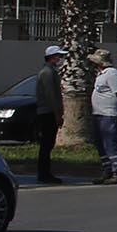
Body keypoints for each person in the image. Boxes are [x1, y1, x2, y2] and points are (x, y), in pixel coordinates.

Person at [88, 47, 117, 184]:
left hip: (110, 115)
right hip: (99, 114)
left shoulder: (112, 74)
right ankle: (107, 170)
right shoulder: (101, 74)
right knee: (100, 144)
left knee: (111, 144)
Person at [32, 45, 66, 184]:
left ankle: (45, 172)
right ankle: (44, 173)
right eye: (59, 56)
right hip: (47, 113)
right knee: (46, 144)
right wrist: (57, 114)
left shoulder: (51, 71)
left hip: (48, 112)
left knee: (48, 144)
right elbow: (51, 96)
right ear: (52, 57)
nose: (61, 59)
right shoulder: (47, 73)